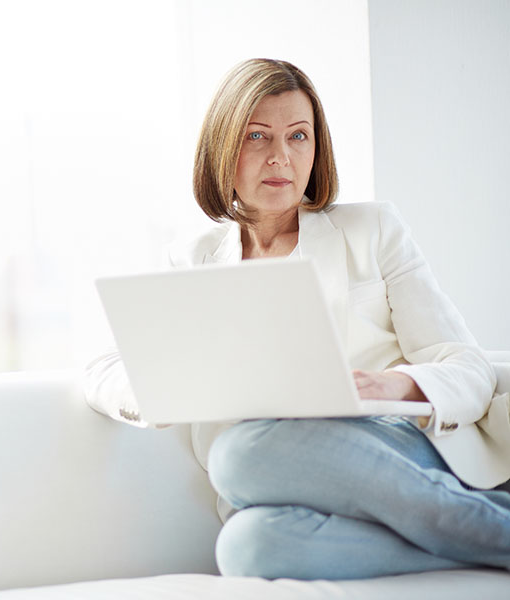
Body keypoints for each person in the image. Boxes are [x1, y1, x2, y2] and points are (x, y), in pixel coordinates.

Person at [83, 58, 510, 580]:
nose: (280, 157)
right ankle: (490, 537)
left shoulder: (372, 230)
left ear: (316, 148)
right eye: (257, 136)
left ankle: (476, 523)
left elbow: (468, 366)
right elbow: (101, 368)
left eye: (298, 136)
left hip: (390, 445)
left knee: (237, 455)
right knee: (247, 549)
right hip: (285, 480)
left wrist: (394, 384)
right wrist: (165, 390)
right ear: (222, 147)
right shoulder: (191, 258)